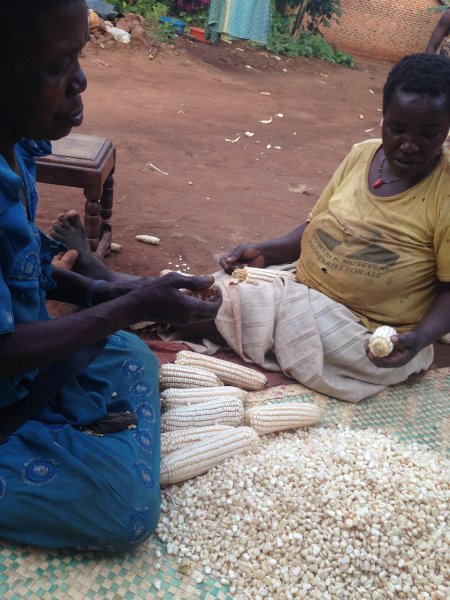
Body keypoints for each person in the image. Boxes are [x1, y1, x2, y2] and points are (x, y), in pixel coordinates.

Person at [53, 54, 450, 404]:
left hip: (366, 328)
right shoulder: (363, 155)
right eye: (398, 128)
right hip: (301, 285)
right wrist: (268, 250)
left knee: (230, 307)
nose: (410, 144)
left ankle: (113, 289)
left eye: (428, 133)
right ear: (383, 117)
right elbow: (316, 226)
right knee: (218, 287)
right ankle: (118, 287)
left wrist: (421, 338)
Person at [0, 0, 221, 551]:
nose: (81, 80)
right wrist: (130, 304)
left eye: (79, 56)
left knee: (130, 354)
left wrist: (104, 289)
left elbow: (23, 271)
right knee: (122, 508)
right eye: (57, 67)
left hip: (22, 374)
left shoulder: (18, 146)